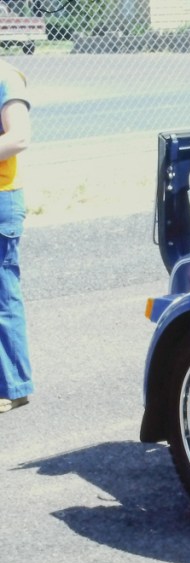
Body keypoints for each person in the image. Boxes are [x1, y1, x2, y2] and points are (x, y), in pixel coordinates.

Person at [0, 59, 30, 414]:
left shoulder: (5, 77)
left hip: (2, 197)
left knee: (3, 298)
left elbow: (19, 137)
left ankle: (13, 386)